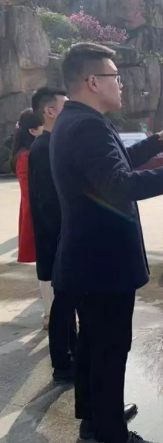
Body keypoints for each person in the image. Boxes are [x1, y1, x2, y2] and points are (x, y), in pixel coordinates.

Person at [50, 42, 163, 443]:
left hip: (91, 261)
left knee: (93, 343)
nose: (121, 84)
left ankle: (95, 418)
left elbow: (113, 166)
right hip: (102, 264)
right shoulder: (86, 126)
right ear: (93, 81)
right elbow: (119, 185)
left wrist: (160, 139)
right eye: (115, 76)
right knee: (109, 347)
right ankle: (110, 433)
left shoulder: (78, 120)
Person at [28, 87, 78, 384]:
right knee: (63, 305)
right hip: (59, 240)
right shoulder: (44, 148)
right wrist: (66, 240)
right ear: (49, 111)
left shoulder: (53, 144)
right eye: (65, 106)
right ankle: (63, 362)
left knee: (67, 303)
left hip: (62, 239)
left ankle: (70, 356)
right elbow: (50, 203)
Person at [10, 111, 43, 324]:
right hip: (38, 215)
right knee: (48, 265)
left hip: (39, 212)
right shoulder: (26, 157)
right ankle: (50, 313)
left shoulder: (30, 153)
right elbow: (32, 193)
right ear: (32, 130)